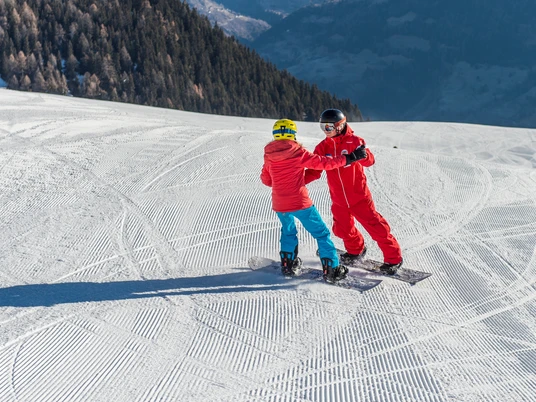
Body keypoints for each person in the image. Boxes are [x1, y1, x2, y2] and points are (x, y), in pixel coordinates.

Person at [260, 118, 367, 282]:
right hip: (300, 202)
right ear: (293, 134)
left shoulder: (269, 155)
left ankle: (288, 264)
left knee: (288, 232)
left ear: (275, 135)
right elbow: (325, 163)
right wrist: (349, 158)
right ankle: (332, 269)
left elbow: (267, 181)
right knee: (321, 234)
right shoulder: (298, 153)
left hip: (279, 203)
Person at [304, 109, 403, 275]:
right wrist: (293, 180)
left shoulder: (354, 141)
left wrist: (362, 155)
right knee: (342, 229)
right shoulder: (322, 147)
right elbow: (314, 171)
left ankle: (394, 259)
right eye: (322, 127)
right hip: (339, 199)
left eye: (328, 127)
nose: (325, 131)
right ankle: (356, 251)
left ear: (340, 125)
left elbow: (370, 161)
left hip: (359, 197)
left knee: (376, 227)